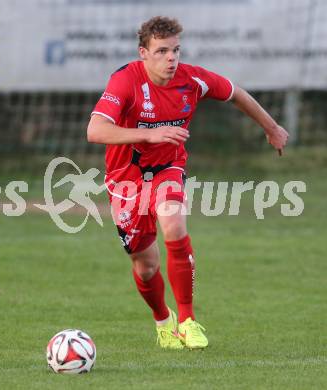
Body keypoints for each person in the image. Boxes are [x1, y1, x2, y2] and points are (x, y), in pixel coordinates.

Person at [87, 16, 288, 350]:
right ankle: (163, 322)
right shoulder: (125, 81)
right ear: (143, 53)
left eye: (176, 50)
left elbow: (236, 93)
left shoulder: (193, 79)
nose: (171, 58)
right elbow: (95, 130)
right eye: (162, 50)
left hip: (168, 167)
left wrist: (271, 127)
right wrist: (149, 134)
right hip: (126, 181)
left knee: (174, 225)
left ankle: (188, 321)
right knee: (146, 265)